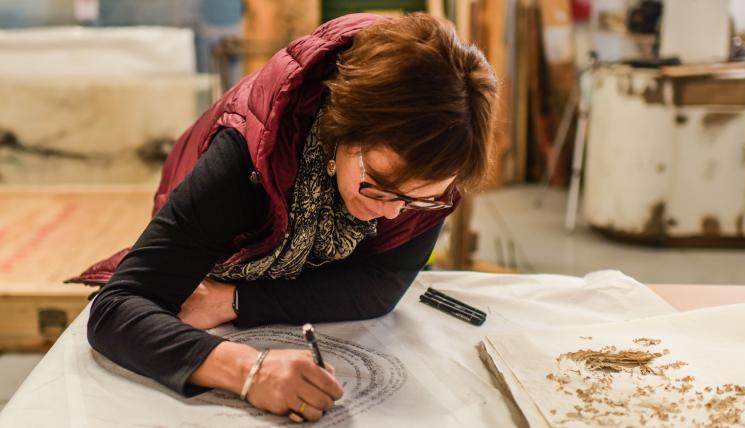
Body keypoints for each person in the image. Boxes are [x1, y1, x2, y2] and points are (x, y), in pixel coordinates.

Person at [69, 12, 497, 423]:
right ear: (341, 127)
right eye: (380, 184)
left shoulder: (433, 165)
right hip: (222, 242)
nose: (391, 212)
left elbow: (383, 284)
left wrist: (232, 300)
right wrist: (248, 371)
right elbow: (117, 309)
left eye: (420, 199)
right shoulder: (245, 162)